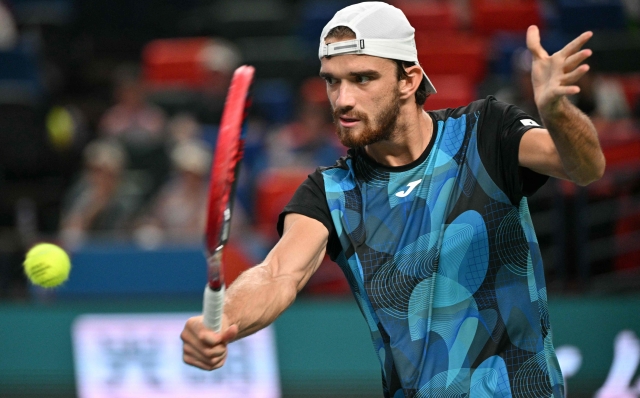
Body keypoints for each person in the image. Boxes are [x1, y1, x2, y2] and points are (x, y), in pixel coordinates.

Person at [180, 2, 605, 397]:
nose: (343, 99)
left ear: (409, 79)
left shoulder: (485, 134)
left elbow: (584, 167)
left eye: (362, 78)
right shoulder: (331, 193)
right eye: (332, 81)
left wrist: (557, 112)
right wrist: (222, 322)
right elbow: (277, 274)